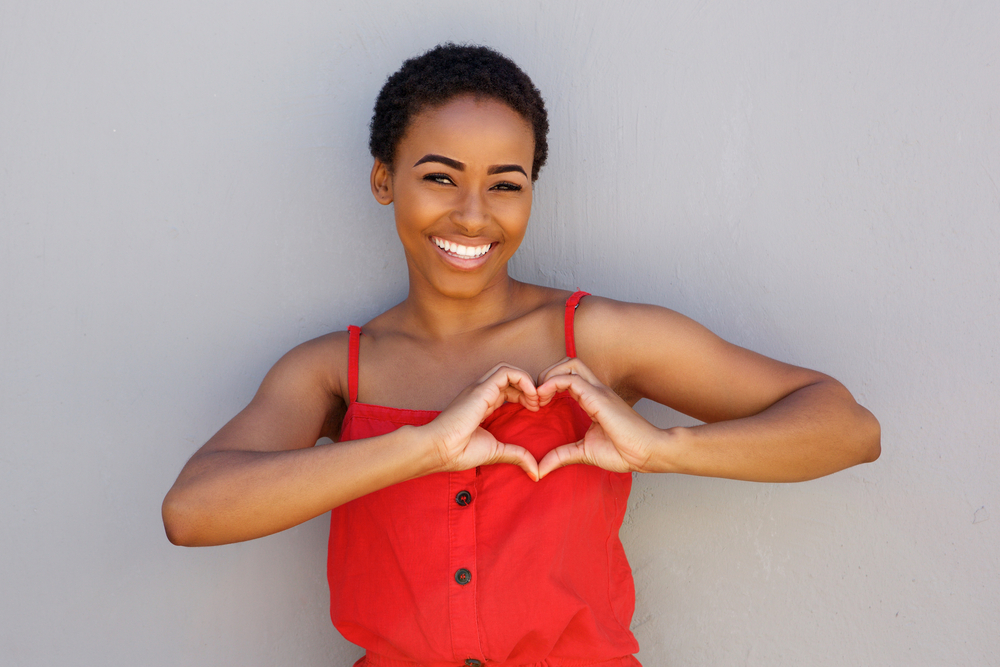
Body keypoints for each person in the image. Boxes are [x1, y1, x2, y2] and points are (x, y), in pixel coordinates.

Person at [162, 43, 880, 667]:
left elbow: (848, 427)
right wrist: (421, 447)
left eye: (506, 184)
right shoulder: (330, 370)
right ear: (384, 179)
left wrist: (663, 447)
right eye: (440, 176)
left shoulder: (598, 338)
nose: (474, 213)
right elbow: (192, 512)